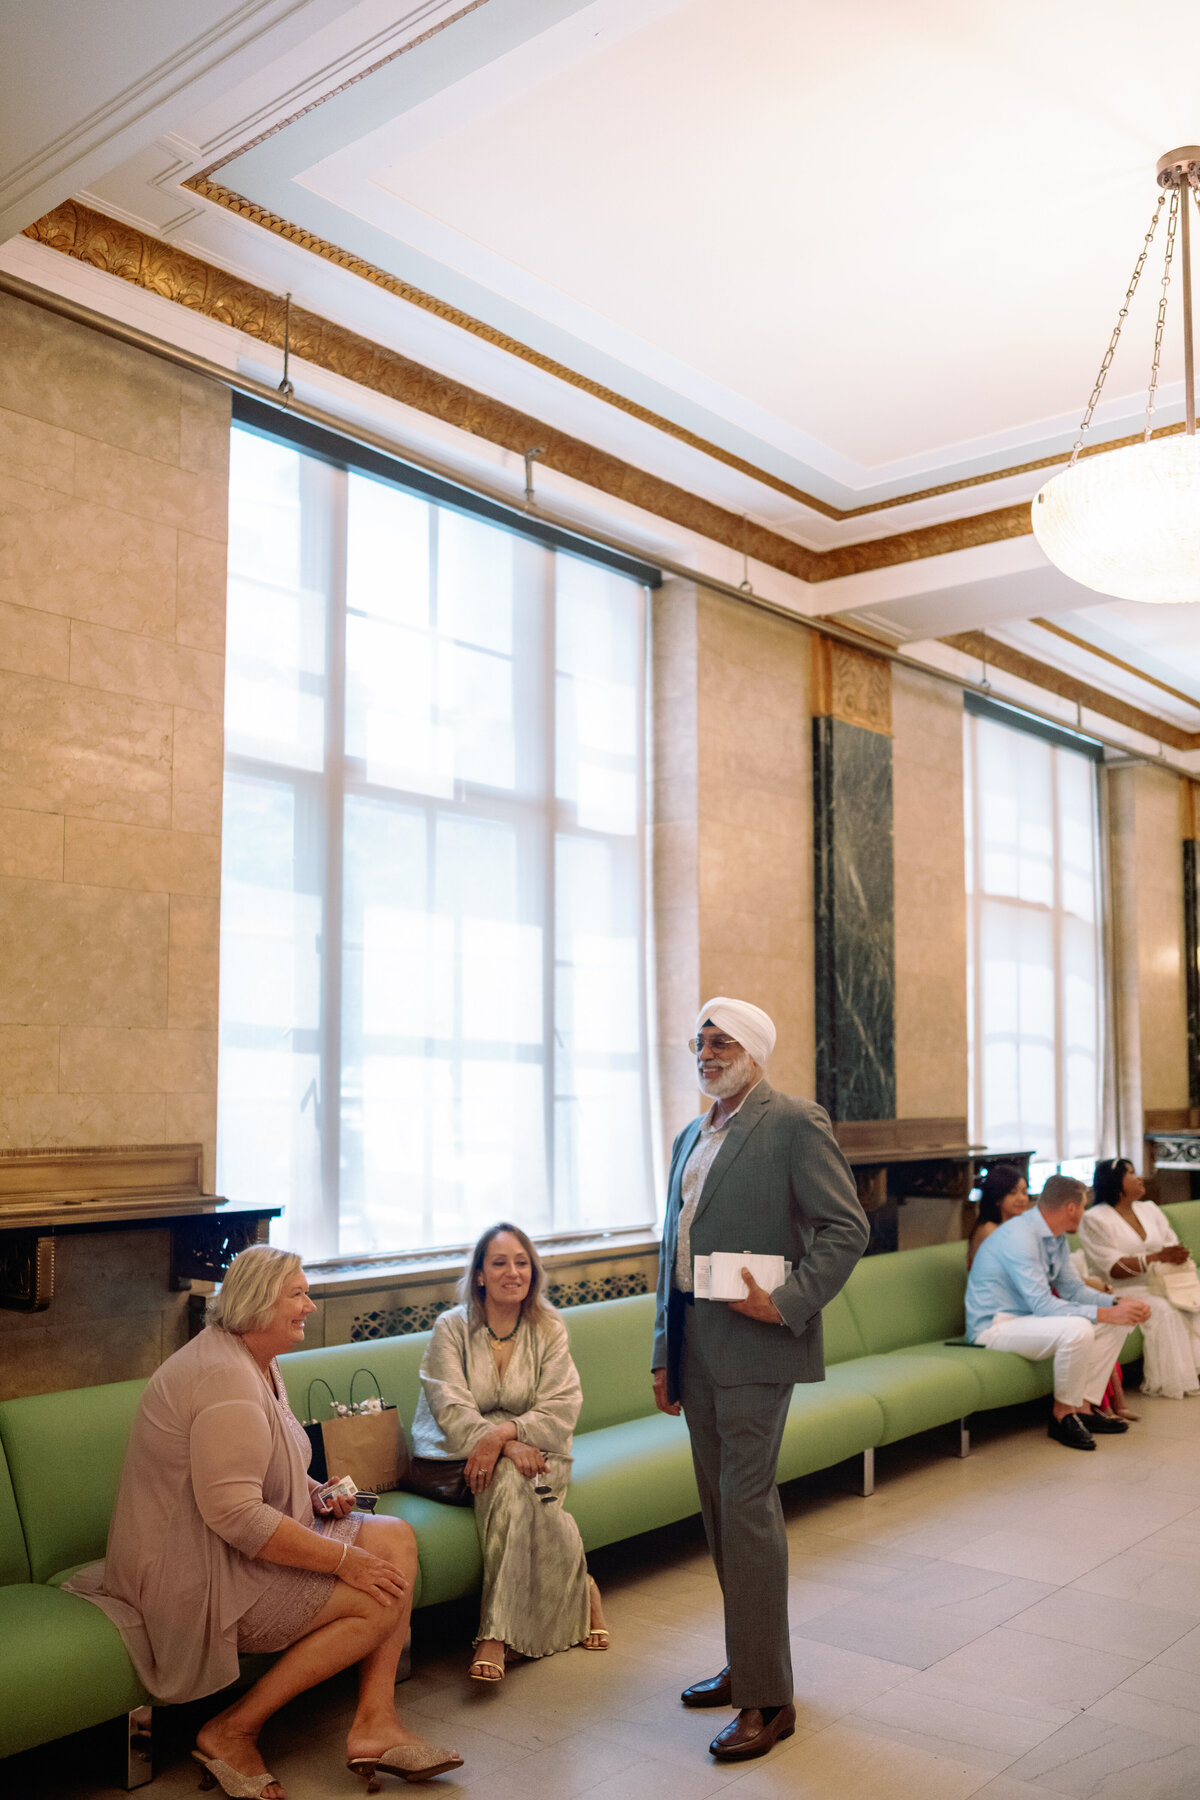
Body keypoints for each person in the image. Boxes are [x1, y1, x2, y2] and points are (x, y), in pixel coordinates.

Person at [65, 1246, 461, 1799]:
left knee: (396, 1537)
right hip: (200, 1575)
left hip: (228, 1549)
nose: (311, 1305)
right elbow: (237, 1515)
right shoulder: (224, 1380)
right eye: (297, 1294)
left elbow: (270, 1463)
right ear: (257, 1303)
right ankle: (231, 1730)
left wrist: (316, 1492)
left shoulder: (258, 1358)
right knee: (379, 1593)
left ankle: (375, 1723)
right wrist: (346, 1560)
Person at [652, 998, 868, 1764]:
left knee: (745, 1511)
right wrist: (660, 1351)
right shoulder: (690, 1134)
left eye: (723, 1041)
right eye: (700, 1042)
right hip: (695, 1349)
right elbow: (669, 1250)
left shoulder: (792, 1122)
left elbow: (848, 1228)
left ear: (756, 1051)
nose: (708, 1052)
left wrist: (787, 1304)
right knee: (720, 1513)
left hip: (754, 1345)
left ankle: (769, 1699)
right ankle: (749, 1661)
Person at [411, 1222, 606, 1682]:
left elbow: (562, 1405)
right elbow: (448, 1404)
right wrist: (502, 1443)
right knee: (511, 1482)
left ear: (533, 1272)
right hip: (464, 1453)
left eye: (522, 1262)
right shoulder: (450, 1328)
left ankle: (494, 1634)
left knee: (521, 1478)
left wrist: (507, 1437)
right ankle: (581, 1586)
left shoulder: (549, 1327)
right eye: (499, 1263)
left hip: (540, 1450)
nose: (512, 1272)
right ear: (480, 1274)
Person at [966, 1174, 1151, 1450]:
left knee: (1118, 1323)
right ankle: (1063, 1415)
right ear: (1071, 1208)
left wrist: (1117, 1303)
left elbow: (1073, 1289)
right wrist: (1103, 1313)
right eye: (1084, 1207)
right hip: (994, 1325)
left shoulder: (1055, 1237)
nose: (1085, 1213)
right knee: (1078, 1328)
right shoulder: (1020, 1237)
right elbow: (1043, 1305)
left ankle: (1085, 1409)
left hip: (1029, 1320)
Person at [1079, 1159, 1200, 1399]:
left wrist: (1175, 1254)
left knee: (1193, 1302)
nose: (1139, 1178)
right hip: (1123, 1288)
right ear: (1116, 1183)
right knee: (1164, 1310)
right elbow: (1112, 1267)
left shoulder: (1150, 1209)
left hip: (1162, 1281)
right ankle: (1174, 1380)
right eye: (1131, 1174)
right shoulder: (1095, 1219)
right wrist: (1155, 1257)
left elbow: (1169, 1243)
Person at [967, 1165, 1029, 1269]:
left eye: (1024, 1192)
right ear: (997, 1198)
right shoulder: (989, 1230)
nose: (1022, 1198)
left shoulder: (1014, 1225)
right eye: (1013, 1193)